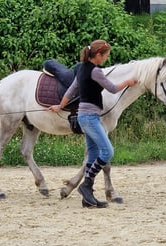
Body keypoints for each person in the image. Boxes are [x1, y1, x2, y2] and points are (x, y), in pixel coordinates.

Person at [49, 39, 137, 208]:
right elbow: (112, 88)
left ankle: (87, 198)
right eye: (105, 56)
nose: (106, 59)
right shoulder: (96, 71)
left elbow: (71, 90)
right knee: (107, 151)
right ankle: (86, 185)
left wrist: (60, 105)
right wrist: (128, 82)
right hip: (89, 118)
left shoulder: (81, 68)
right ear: (98, 55)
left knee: (93, 153)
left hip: (85, 116)